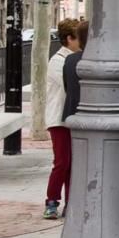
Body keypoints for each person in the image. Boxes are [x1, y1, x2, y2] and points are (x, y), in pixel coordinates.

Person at [43, 18, 81, 220]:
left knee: (73, 163)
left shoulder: (75, 58)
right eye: (78, 38)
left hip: (72, 118)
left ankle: (71, 202)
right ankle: (52, 200)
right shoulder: (58, 61)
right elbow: (70, 86)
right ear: (69, 39)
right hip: (59, 119)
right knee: (62, 162)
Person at [61, 20, 90, 125]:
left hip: (73, 115)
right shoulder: (100, 60)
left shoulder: (70, 59)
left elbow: (67, 87)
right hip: (93, 116)